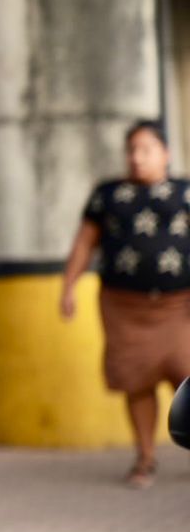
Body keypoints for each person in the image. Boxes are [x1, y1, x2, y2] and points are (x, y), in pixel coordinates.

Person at [60, 119, 190, 488]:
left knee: (189, 380)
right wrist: (68, 286)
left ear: (165, 153)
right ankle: (146, 458)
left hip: (182, 308)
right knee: (137, 383)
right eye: (132, 149)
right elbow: (86, 242)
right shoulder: (107, 194)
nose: (137, 157)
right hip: (125, 309)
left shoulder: (185, 192)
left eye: (146, 149)